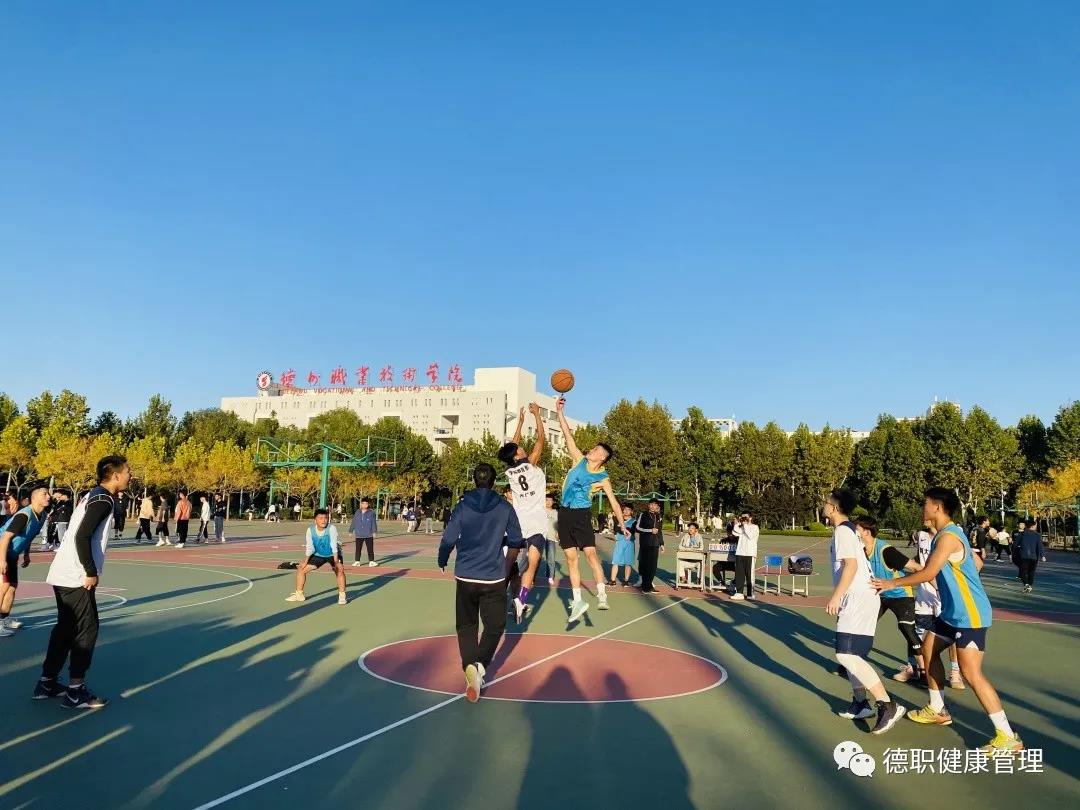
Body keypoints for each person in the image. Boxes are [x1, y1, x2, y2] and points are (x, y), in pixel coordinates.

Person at [871, 487, 1022, 755]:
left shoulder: (949, 537)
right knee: (928, 650)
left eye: (925, 503)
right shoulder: (946, 535)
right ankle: (938, 709)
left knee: (971, 673)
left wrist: (892, 583)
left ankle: (1008, 736)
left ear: (937, 507)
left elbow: (929, 572)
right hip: (952, 613)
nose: (922, 508)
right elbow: (976, 563)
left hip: (970, 615)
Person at [33, 455, 131, 709]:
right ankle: (76, 691)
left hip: (64, 572)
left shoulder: (93, 495)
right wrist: (90, 570)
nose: (130, 476)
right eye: (127, 471)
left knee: (65, 629)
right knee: (87, 629)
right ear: (116, 475)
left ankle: (47, 683)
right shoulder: (103, 500)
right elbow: (82, 535)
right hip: (76, 575)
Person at [437, 463, 524, 703]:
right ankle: (480, 665)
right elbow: (516, 539)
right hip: (493, 576)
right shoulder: (505, 507)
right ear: (494, 482)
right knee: (495, 625)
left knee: (466, 625)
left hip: (465, 575)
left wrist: (442, 559)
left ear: (474, 480)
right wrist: (506, 563)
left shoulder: (463, 505)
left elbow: (449, 538)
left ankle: (470, 665)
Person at [823, 488, 905, 735]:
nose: (823, 505)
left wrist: (836, 597)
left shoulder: (843, 531)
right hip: (861, 596)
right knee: (853, 655)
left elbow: (851, 565)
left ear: (833, 508)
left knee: (845, 655)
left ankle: (887, 704)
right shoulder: (849, 530)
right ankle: (861, 703)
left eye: (826, 502)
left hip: (857, 597)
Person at [554, 396, 628, 621]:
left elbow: (613, 502)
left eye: (595, 449)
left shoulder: (602, 477)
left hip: (581, 515)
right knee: (570, 558)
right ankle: (578, 601)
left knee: (590, 554)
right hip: (564, 513)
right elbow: (567, 435)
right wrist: (559, 412)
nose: (591, 450)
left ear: (602, 457)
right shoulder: (578, 460)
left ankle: (602, 594)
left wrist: (622, 525)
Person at [498, 403, 550, 623]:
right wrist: (537, 415)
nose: (521, 447)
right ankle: (521, 599)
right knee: (533, 562)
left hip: (518, 521)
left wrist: (519, 422)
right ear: (518, 454)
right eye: (519, 448)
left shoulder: (510, 470)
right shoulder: (531, 464)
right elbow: (541, 440)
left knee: (509, 561)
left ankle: (497, 595)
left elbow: (513, 444)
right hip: (536, 521)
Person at [855, 516, 924, 682]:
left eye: (856, 530)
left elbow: (917, 568)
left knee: (906, 629)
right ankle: (852, 661)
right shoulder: (859, 550)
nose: (853, 533)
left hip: (900, 594)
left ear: (866, 532)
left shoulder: (886, 551)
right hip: (879, 594)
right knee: (861, 625)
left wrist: (936, 587)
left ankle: (924, 669)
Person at [0, 485, 50, 637]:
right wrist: (2, 560)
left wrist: (26, 554)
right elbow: (5, 538)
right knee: (4, 586)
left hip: (13, 553)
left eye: (48, 494)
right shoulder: (24, 516)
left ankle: (4, 618)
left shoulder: (42, 516)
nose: (48, 496)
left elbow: (29, 536)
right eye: (44, 494)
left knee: (12, 587)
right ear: (34, 498)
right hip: (2, 550)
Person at [285, 508, 348, 605]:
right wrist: (305, 561)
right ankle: (299, 595)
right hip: (319, 554)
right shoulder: (310, 530)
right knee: (301, 569)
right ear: (315, 520)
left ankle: (342, 595)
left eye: (325, 518)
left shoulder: (331, 528)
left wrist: (336, 562)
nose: (324, 520)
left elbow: (333, 545)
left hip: (333, 554)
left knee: (339, 570)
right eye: (321, 518)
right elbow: (310, 547)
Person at [636, 499, 665, 594]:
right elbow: (637, 528)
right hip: (646, 543)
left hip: (655, 544)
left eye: (655, 505)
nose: (653, 506)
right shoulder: (643, 515)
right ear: (648, 505)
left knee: (653, 566)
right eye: (651, 504)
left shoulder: (658, 516)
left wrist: (661, 544)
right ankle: (645, 587)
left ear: (657, 506)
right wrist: (650, 530)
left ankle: (649, 586)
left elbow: (659, 531)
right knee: (646, 565)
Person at [730, 512, 759, 601]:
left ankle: (750, 594)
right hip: (740, 552)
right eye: (742, 517)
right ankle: (739, 593)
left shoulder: (755, 527)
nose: (744, 519)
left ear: (750, 518)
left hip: (750, 553)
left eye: (746, 517)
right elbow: (735, 532)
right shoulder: (741, 527)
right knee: (739, 574)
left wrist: (745, 524)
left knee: (750, 574)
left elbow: (750, 535)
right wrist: (737, 523)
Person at [608, 504, 636, 586]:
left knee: (628, 562)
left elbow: (632, 531)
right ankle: (613, 580)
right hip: (619, 542)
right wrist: (622, 529)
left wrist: (622, 529)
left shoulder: (634, 521)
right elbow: (616, 530)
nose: (626, 511)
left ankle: (626, 581)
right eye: (625, 509)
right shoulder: (618, 519)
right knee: (615, 561)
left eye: (628, 509)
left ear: (631, 511)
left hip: (629, 543)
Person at [1017, 519, 1046, 594]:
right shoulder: (1037, 535)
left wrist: (1015, 553)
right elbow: (1040, 546)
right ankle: (1029, 585)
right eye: (1035, 525)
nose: (1036, 527)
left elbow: (1015, 545)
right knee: (1031, 572)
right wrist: (1042, 556)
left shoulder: (1022, 534)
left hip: (1023, 556)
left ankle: (1026, 584)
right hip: (1034, 557)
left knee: (1022, 572)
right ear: (1032, 526)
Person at [350, 497, 378, 567]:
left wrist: (374, 531)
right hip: (359, 534)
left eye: (366, 504)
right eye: (363, 503)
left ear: (368, 504)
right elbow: (354, 521)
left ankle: (371, 561)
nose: (364, 505)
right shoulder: (357, 512)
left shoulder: (371, 512)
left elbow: (373, 523)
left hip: (368, 534)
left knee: (370, 549)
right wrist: (351, 530)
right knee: (358, 549)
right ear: (361, 504)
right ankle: (357, 561)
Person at [675, 521, 705, 587]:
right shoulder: (685, 536)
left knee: (701, 564)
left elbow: (701, 547)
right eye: (689, 528)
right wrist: (687, 549)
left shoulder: (699, 537)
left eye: (692, 528)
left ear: (696, 530)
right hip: (687, 560)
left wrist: (693, 549)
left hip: (696, 561)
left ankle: (699, 581)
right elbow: (680, 546)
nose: (690, 529)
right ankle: (684, 579)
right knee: (680, 563)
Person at [544, 492, 559, 586]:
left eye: (550, 500)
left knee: (551, 558)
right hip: (540, 537)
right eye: (546, 500)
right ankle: (532, 577)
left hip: (551, 538)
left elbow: (558, 526)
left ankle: (550, 576)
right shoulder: (540, 511)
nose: (548, 502)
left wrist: (558, 533)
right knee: (536, 558)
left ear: (553, 502)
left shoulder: (556, 512)